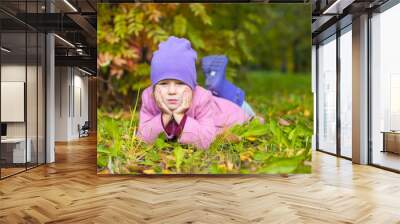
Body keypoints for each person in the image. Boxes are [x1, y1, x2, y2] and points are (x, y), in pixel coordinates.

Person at [137, 36, 260, 149]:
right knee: (214, 95)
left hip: (231, 112)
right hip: (214, 103)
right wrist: (165, 116)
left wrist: (180, 115)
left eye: (180, 83)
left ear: (191, 86)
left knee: (253, 119)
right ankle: (218, 88)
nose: (172, 91)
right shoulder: (149, 98)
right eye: (164, 83)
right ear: (154, 86)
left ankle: (225, 90)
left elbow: (206, 141)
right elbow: (143, 137)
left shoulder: (201, 99)